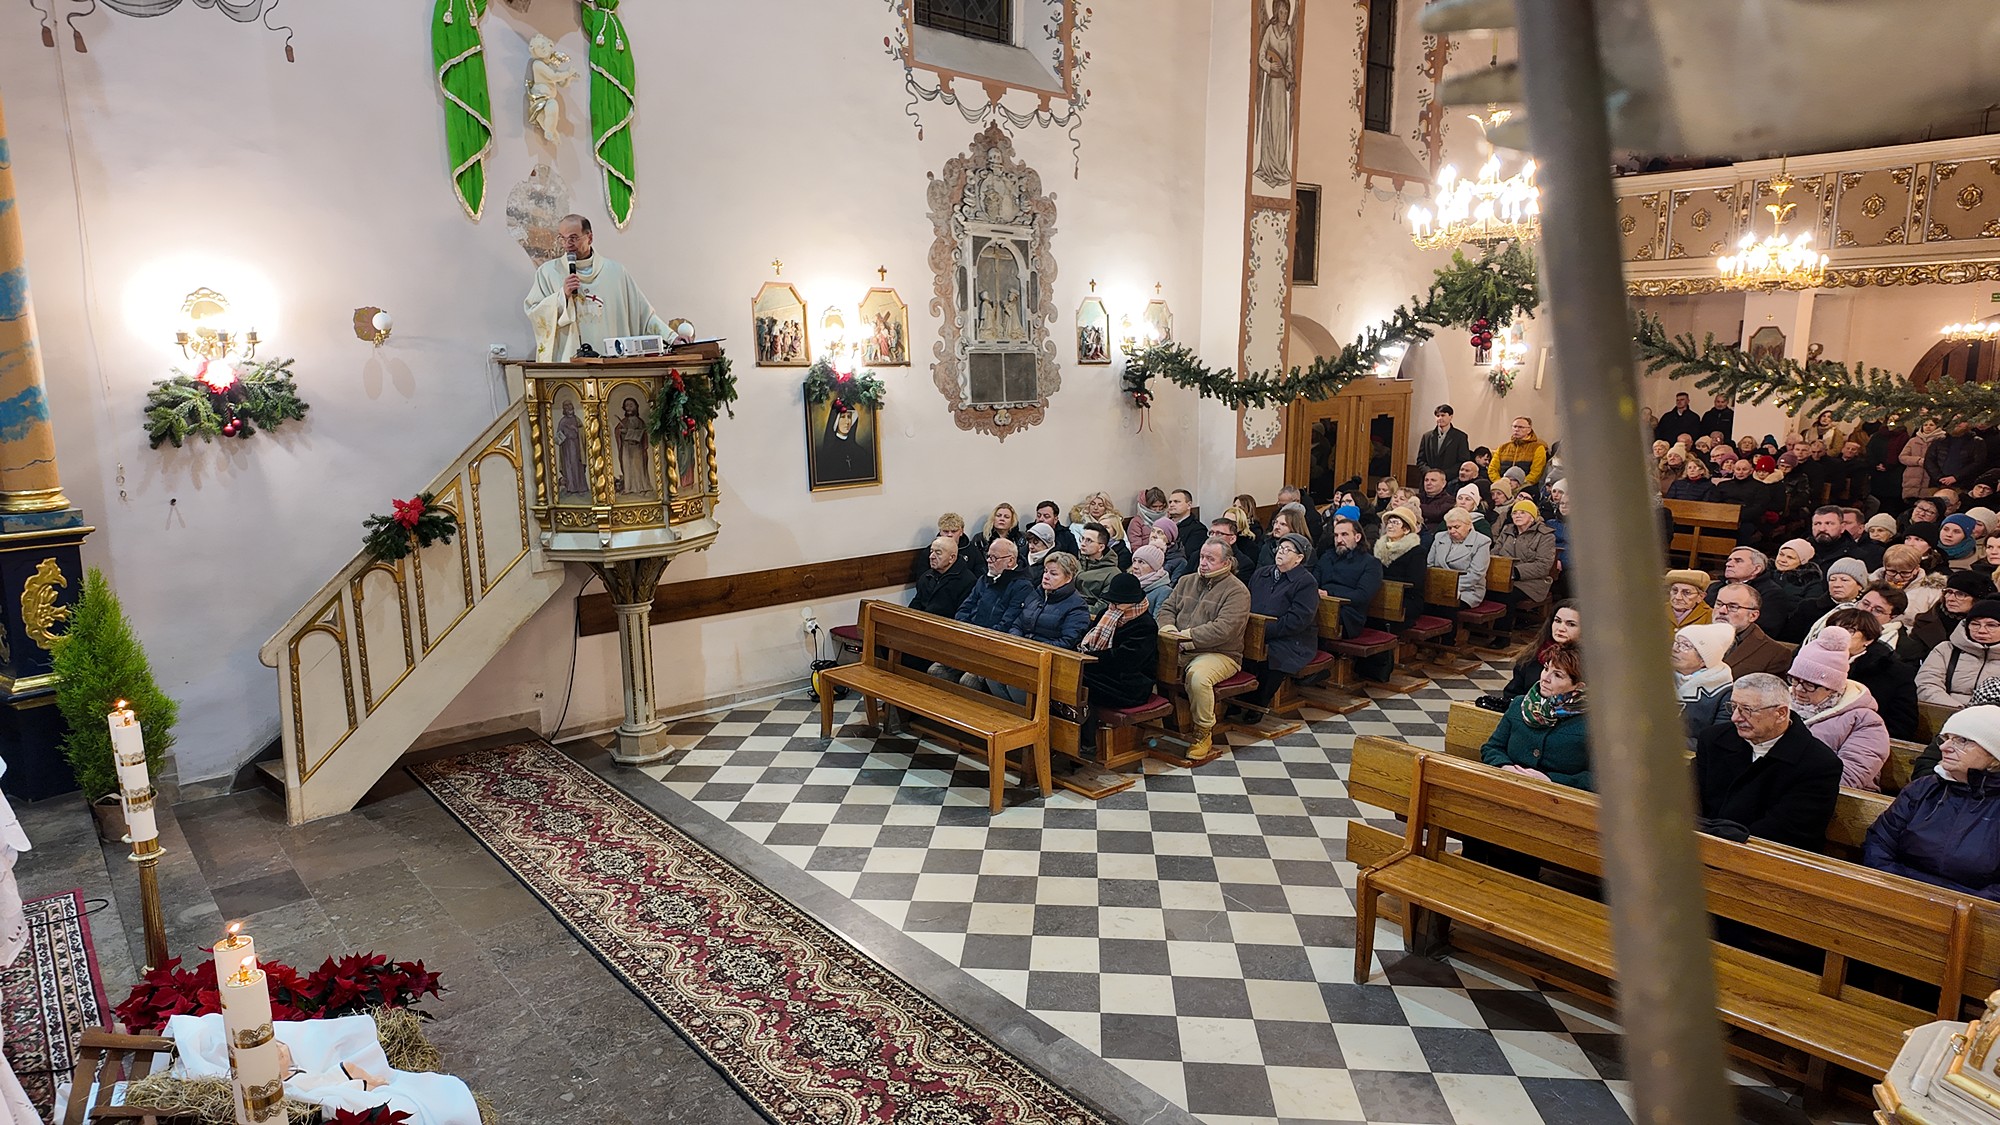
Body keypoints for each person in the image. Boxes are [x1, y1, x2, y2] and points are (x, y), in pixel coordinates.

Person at [1692, 672, 1844, 851]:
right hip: (1702, 845)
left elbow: (1788, 832)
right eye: (1733, 707)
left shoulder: (1819, 764)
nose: (1735, 718)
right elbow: (1692, 797)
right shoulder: (1714, 739)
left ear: (1780, 713)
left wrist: (1720, 840)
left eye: (1747, 710)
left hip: (1769, 855)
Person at [1862, 706, 2000, 900]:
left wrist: (1963, 906)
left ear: (1994, 755)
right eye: (1946, 738)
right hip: (1895, 894)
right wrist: (1894, 889)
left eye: (1962, 740)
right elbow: (1879, 842)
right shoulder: (1923, 788)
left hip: (1970, 910)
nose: (1944, 747)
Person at [524, 214, 672, 362]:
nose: (567, 244)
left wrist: (672, 338)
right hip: (569, 365)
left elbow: (643, 315)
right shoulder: (548, 273)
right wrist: (562, 297)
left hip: (609, 365)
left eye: (573, 238)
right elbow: (534, 312)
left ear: (589, 237)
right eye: (562, 238)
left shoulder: (616, 273)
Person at [1157, 540, 1252, 760]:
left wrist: (1186, 638)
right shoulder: (1186, 581)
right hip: (1178, 645)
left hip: (1221, 653)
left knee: (1198, 677)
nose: (1203, 563)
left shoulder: (1237, 591)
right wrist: (1168, 630)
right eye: (1202, 557)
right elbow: (1167, 608)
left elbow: (1224, 629)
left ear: (1226, 563)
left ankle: (1203, 732)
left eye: (1211, 559)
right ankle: (1154, 724)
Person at [967, 552, 1090, 703]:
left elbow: (1067, 641)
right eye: (1045, 571)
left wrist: (1034, 649)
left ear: (1068, 578)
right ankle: (1008, 712)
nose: (1046, 577)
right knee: (993, 674)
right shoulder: (1036, 594)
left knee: (1017, 685)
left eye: (1053, 574)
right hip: (1022, 655)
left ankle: (1022, 713)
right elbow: (1018, 623)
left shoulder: (1077, 606)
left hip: (1049, 664)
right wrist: (1018, 642)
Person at [1784, 627, 1891, 791]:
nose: (1798, 689)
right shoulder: (1779, 704)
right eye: (1795, 679)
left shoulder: (1865, 721)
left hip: (1827, 796)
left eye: (1809, 685)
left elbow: (1849, 775)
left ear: (1833, 687)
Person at [1480, 643, 1592, 790]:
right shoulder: (1519, 704)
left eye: (1558, 675)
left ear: (1578, 686)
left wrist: (1551, 780)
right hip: (1506, 787)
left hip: (1559, 798)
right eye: (1546, 668)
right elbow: (1492, 747)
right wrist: (1505, 767)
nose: (1545, 678)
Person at [1245, 533, 1321, 708]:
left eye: (1287, 550)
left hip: (1291, 639)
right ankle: (1237, 701)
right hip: (1256, 632)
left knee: (1273, 657)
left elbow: (1297, 621)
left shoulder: (1306, 582)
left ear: (1299, 558)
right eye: (1280, 548)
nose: (1281, 552)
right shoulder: (1262, 573)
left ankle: (1257, 704)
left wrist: (1263, 631)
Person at [1826, 607, 1920, 742]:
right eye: (1834, 629)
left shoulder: (1893, 671)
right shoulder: (1814, 660)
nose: (1839, 635)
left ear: (1868, 639)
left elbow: (1902, 725)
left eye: (1849, 630)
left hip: (1865, 741)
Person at [1078, 572, 1159, 711]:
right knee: (1071, 676)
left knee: (1079, 680)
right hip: (1104, 673)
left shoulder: (1145, 625)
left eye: (1118, 603)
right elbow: (1088, 638)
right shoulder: (1106, 613)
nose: (1113, 606)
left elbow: (1127, 660)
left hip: (1130, 684)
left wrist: (1089, 659)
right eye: (1112, 602)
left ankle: (1083, 722)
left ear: (1133, 602)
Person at [1490, 601, 1580, 708]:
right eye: (1557, 621)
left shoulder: (1589, 665)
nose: (1561, 628)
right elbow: (1512, 694)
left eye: (1571, 624)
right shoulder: (1533, 656)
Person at [1917, 599, 2000, 707]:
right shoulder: (1946, 650)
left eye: (1991, 625)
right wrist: (1957, 710)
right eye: (1975, 624)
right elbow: (1926, 684)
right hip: (1946, 711)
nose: (1981, 630)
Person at [1314, 515, 1383, 639]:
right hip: (1320, 604)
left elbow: (1362, 596)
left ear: (1357, 537)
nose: (1339, 540)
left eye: (1344, 535)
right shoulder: (1326, 557)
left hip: (1349, 615)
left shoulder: (1370, 563)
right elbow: (1314, 582)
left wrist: (1329, 594)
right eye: (1336, 535)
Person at [1712, 584, 1795, 678]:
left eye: (1733, 607)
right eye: (1719, 604)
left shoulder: (1775, 654)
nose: (1722, 610)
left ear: (1753, 616)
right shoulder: (1698, 636)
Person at [1493, 499, 1557, 606]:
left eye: (1522, 512)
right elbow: (1494, 553)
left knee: (1505, 596)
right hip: (1503, 578)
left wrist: (1515, 572)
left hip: (1532, 582)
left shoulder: (1545, 536)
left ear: (1532, 517)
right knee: (1486, 591)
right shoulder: (1507, 531)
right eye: (1514, 513)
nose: (1518, 515)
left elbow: (1543, 565)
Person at [1373, 506, 1426, 627]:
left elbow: (1415, 582)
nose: (1390, 526)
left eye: (1395, 523)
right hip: (1381, 594)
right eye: (1389, 522)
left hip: (1407, 598)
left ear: (1406, 529)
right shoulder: (1379, 547)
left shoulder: (1416, 551)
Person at [1427, 508, 1491, 610]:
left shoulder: (1482, 542)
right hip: (1438, 587)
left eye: (1456, 527)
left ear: (1469, 525)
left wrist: (1450, 587)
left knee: (1443, 607)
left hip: (1467, 590)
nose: (1452, 531)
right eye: (1449, 528)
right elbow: (1429, 565)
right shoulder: (1439, 537)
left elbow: (1475, 575)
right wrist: (1437, 585)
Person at [910, 537, 975, 619]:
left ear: (952, 558)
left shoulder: (967, 581)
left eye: (938, 553)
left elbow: (962, 614)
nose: (931, 556)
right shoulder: (927, 576)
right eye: (931, 552)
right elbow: (917, 603)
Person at [1674, 622, 1736, 704]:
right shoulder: (1660, 674)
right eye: (1676, 642)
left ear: (1703, 660)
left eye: (1685, 645)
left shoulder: (1723, 693)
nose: (1675, 649)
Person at [1928, 420, 1988, 491]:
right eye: (1955, 420)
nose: (1957, 423)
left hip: (1963, 486)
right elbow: (1929, 460)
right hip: (1937, 484)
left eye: (1962, 420)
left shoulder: (1977, 442)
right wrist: (1939, 477)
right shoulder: (1939, 440)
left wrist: (1956, 477)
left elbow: (1978, 463)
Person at [1074, 523, 1122, 613]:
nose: (1083, 544)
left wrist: (1071, 607)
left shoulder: (1112, 574)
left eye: (1089, 540)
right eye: (1082, 539)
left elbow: (1100, 608)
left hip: (1086, 614)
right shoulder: (1074, 563)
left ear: (1101, 547)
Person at [1489, 416, 1550, 487]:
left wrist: (1520, 485)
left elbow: (1536, 472)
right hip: (1501, 486)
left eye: (1521, 427)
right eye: (1515, 426)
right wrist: (1501, 483)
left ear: (1529, 430)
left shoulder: (1538, 448)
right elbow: (1492, 469)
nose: (1517, 429)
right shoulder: (1502, 448)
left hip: (1526, 487)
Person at [1417, 404, 1471, 474]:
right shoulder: (1427, 436)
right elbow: (1421, 460)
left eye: (1443, 415)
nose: (1440, 418)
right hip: (1429, 477)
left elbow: (1463, 461)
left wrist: (1444, 474)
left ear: (1451, 417)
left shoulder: (1460, 437)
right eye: (1437, 416)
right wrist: (1429, 473)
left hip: (1450, 477)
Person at [1902, 417, 1944, 499]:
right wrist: (1918, 460)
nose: (1928, 427)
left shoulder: (1942, 440)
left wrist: (1929, 463)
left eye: (1931, 425)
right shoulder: (1913, 441)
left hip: (1931, 479)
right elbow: (1902, 457)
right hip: (1912, 479)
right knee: (1910, 502)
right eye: (1925, 425)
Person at [1167, 489, 1206, 573]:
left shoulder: (1198, 529)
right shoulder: (1164, 525)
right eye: (1170, 502)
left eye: (1177, 502)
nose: (1171, 505)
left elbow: (1187, 555)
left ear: (1189, 505)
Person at [1129, 544, 1174, 614]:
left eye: (1141, 562)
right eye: (1134, 561)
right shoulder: (1129, 583)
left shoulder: (1164, 592)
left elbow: (1158, 617)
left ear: (1154, 567)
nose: (1135, 566)